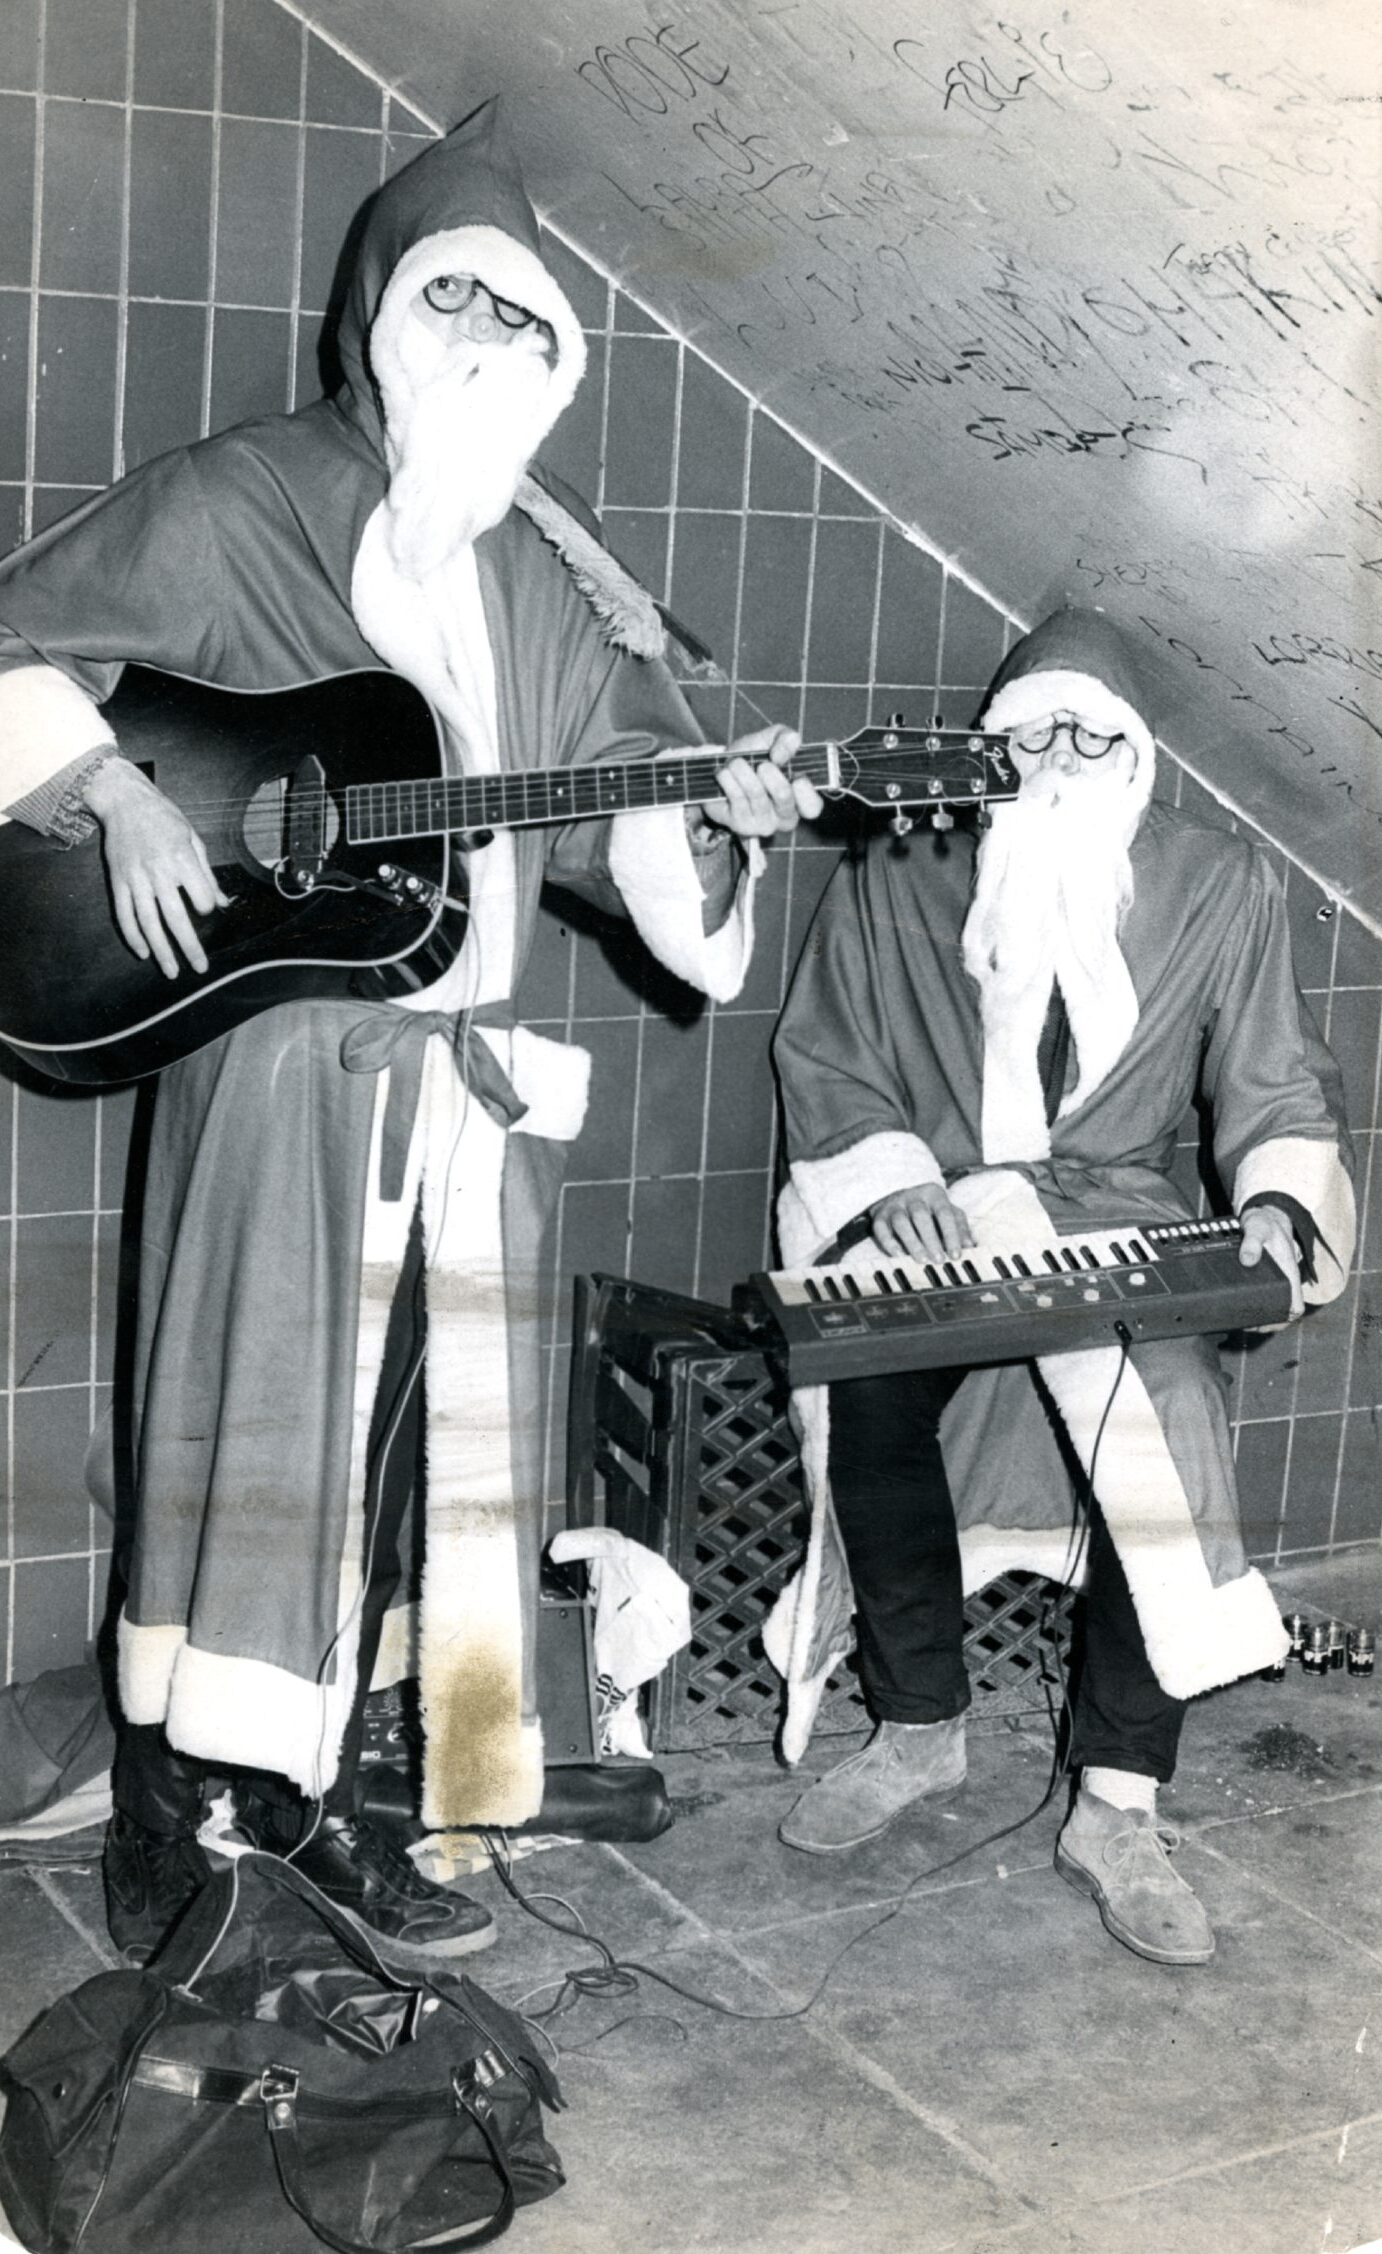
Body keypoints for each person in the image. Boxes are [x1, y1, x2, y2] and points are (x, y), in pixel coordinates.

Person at [0, 100, 820, 1965]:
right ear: (383, 317)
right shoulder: (239, 494)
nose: (490, 352)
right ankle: (186, 1823)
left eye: (526, 328)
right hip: (280, 1084)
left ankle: (355, 1796)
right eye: (456, 306)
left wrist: (715, 815)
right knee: (239, 1439)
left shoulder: (547, 574)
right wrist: (119, 795)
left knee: (422, 1468)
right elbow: (10, 647)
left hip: (473, 1099)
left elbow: (616, 796)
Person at [766, 604, 1354, 1966]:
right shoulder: (899, 870)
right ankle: (915, 1724)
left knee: (1165, 1421)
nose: (1063, 759)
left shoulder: (1219, 880)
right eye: (1034, 734)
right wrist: (893, 1178)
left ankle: (1116, 1802)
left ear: (1138, 753)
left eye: (1096, 735)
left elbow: (1273, 1076)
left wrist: (1271, 1202)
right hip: (938, 1204)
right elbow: (831, 1053)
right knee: (865, 1376)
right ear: (989, 745)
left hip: (1117, 1215)